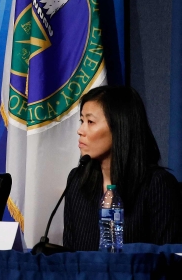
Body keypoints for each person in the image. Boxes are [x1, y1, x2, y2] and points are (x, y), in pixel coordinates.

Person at [63, 86, 182, 250]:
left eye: (90, 122)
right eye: (82, 121)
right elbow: (69, 257)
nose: (80, 130)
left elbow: (169, 262)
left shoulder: (157, 185)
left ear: (119, 127)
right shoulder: (77, 181)